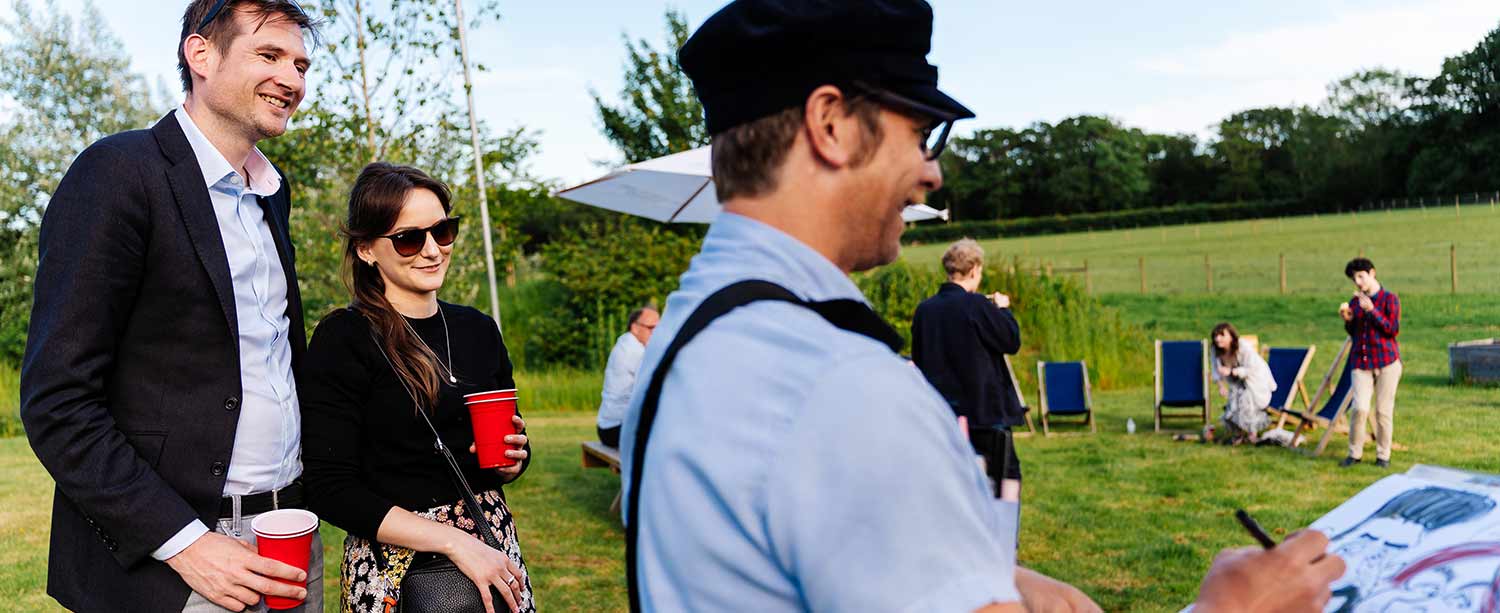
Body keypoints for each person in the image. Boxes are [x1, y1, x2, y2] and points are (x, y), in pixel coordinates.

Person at [619, 1, 1345, 612]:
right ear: (831, 122)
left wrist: (986, 579)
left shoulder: (692, 332)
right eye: (920, 132)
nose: (931, 171)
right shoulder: (836, 380)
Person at [20, 2, 322, 611]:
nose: (292, 80)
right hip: (177, 565)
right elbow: (58, 399)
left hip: (289, 539)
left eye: (300, 64)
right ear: (200, 55)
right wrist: (185, 545)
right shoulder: (117, 173)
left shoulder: (272, 193)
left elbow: (271, 361)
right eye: (268, 55)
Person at [300, 163, 535, 613]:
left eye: (443, 231)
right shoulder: (345, 337)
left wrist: (513, 460)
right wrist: (453, 542)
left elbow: (505, 450)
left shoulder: (478, 329)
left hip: (493, 549)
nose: (432, 250)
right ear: (367, 249)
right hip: (398, 570)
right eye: (409, 238)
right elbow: (328, 487)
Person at [911, 238, 1023, 498]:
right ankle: (1003, 533)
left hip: (941, 413)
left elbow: (919, 357)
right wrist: (1004, 310)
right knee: (1004, 478)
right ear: (974, 270)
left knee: (953, 485)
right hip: (982, 414)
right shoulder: (976, 305)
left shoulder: (924, 311)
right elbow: (1010, 341)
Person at [1338, 257, 1403, 469]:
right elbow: (1355, 333)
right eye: (1354, 278)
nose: (1358, 282)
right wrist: (1348, 320)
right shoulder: (1355, 301)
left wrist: (1372, 310)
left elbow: (1392, 330)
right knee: (1359, 408)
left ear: (1372, 273)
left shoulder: (1389, 299)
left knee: (1383, 411)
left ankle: (1383, 455)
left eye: (1361, 276)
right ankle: (1354, 453)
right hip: (1361, 362)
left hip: (1387, 362)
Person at [597, 306, 659, 448]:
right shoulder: (635, 352)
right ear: (635, 328)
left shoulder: (625, 343)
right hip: (617, 429)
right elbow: (654, 389)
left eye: (659, 329)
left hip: (609, 427)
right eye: (651, 328)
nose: (656, 333)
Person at [1208, 322, 1276, 445]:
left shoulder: (1243, 346)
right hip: (1237, 382)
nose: (1218, 339)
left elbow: (1252, 368)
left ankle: (1252, 434)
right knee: (1233, 401)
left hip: (1256, 380)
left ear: (1231, 336)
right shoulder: (1215, 349)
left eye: (1222, 335)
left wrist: (1232, 371)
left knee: (1246, 399)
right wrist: (1221, 386)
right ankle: (1238, 434)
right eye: (1215, 336)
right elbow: (1215, 369)